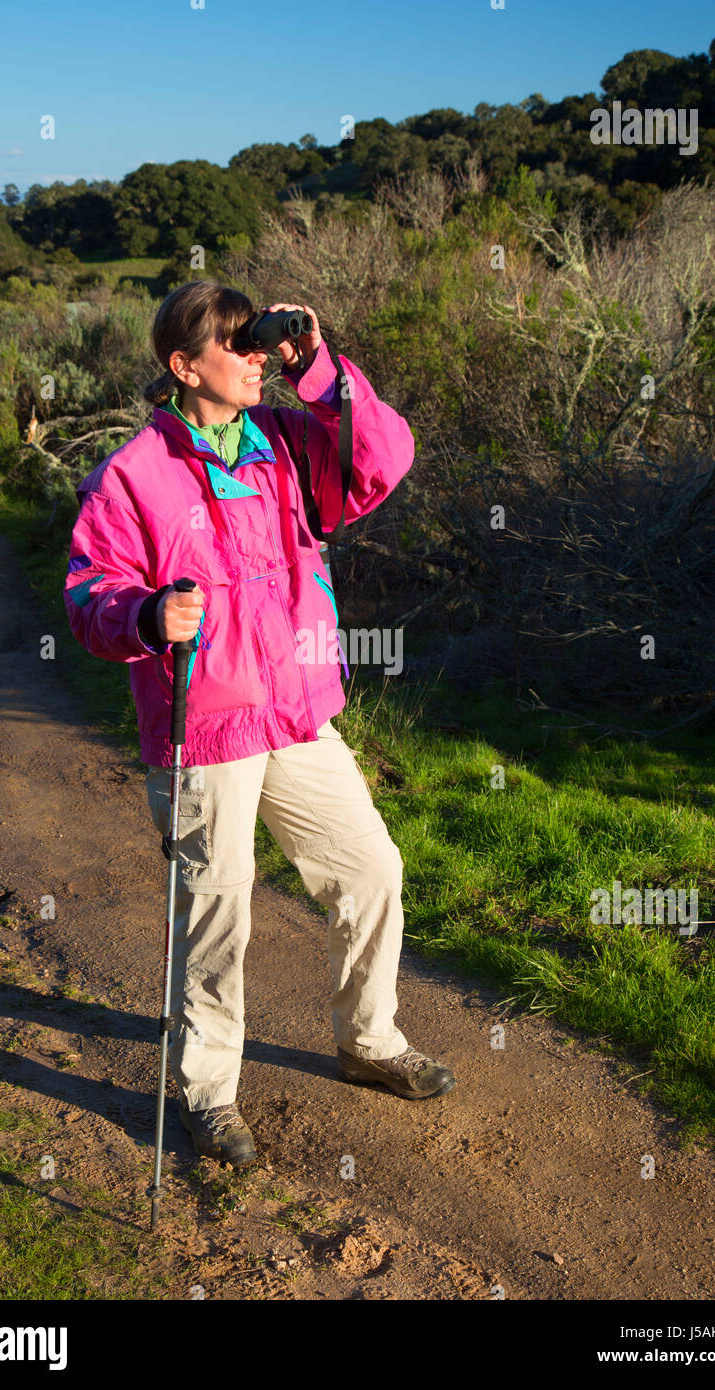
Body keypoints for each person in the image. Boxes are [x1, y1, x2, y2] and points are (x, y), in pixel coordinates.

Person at [63, 280, 456, 1168]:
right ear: (181, 365)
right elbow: (91, 592)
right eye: (235, 345)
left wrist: (316, 368)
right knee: (215, 913)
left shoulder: (287, 443)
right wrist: (141, 615)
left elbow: (382, 461)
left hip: (296, 711)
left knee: (371, 868)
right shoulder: (132, 474)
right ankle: (208, 1094)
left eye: (259, 342)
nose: (253, 357)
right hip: (204, 728)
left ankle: (370, 1040)